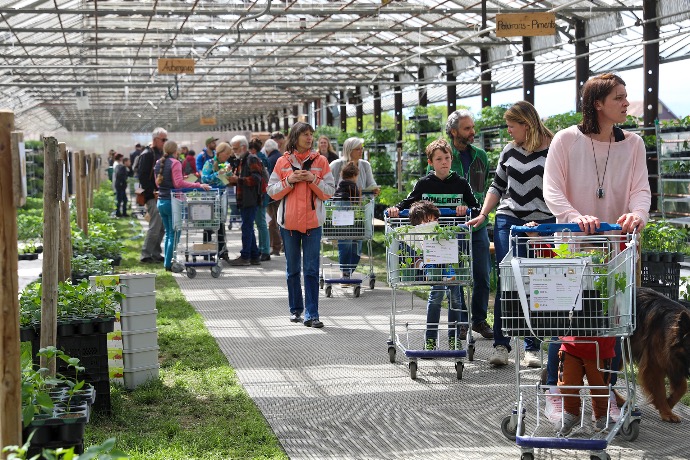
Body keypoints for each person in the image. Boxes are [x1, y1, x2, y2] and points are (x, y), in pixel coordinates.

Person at [542, 73, 651, 424]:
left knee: (612, 327)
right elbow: (552, 190)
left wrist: (637, 214)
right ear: (598, 104)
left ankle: (607, 397)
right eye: (618, 97)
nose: (625, 102)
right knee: (570, 325)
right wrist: (574, 217)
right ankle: (557, 393)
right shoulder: (566, 140)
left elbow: (640, 190)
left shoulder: (633, 144)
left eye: (625, 95)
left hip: (615, 251)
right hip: (573, 249)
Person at [466, 101, 556, 367]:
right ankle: (501, 345)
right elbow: (497, 185)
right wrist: (483, 214)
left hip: (543, 223)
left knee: (536, 281)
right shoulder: (509, 150)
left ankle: (532, 348)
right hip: (509, 218)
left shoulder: (554, 149)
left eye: (511, 126)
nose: (508, 132)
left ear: (525, 125)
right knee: (508, 278)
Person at [386, 139, 479, 349]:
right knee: (437, 292)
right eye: (439, 159)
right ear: (431, 162)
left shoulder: (461, 184)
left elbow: (475, 206)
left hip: (455, 246)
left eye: (447, 158)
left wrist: (465, 208)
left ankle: (454, 338)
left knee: (456, 293)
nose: (444, 162)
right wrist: (394, 209)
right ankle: (430, 339)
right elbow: (407, 203)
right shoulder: (424, 184)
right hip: (431, 249)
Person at [267, 121, 335, 327]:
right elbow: (272, 191)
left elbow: (329, 192)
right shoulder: (282, 163)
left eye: (311, 134)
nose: (309, 138)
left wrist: (313, 179)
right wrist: (290, 181)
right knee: (293, 269)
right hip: (288, 225)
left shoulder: (321, 161)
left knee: (312, 269)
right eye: (305, 134)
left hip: (313, 224)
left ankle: (312, 314)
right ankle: (296, 310)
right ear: (295, 137)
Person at [442, 110, 493, 340]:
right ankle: (461, 320)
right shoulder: (442, 156)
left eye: (472, 127)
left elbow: (487, 186)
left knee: (482, 275)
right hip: (452, 227)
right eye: (467, 128)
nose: (473, 132)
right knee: (456, 276)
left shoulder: (480, 156)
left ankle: (479, 320)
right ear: (454, 132)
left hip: (478, 226)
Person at [155, 141, 211, 271]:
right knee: (175, 233)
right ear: (176, 151)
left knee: (169, 233)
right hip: (173, 202)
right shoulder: (175, 163)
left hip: (161, 201)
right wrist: (198, 185)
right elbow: (178, 184)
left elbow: (158, 183)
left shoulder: (158, 163)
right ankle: (169, 263)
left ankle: (167, 262)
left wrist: (181, 178)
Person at [329, 137, 380, 278]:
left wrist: (373, 190)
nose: (361, 151)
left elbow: (372, 183)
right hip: (342, 208)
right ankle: (346, 272)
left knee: (357, 240)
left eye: (361, 148)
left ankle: (349, 271)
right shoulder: (336, 165)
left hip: (360, 208)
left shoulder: (365, 165)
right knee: (345, 240)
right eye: (357, 148)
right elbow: (327, 184)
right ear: (349, 150)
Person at [226, 135, 264, 266]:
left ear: (243, 147)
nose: (234, 151)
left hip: (250, 199)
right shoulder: (243, 160)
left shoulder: (251, 159)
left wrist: (238, 180)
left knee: (247, 227)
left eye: (235, 148)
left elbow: (256, 178)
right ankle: (254, 256)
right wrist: (234, 180)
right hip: (245, 199)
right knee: (248, 227)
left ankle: (245, 256)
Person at [201, 142, 235, 262]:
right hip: (210, 198)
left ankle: (222, 251)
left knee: (221, 224)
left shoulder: (225, 164)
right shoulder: (209, 163)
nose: (227, 157)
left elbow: (227, 181)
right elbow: (204, 178)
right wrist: (218, 173)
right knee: (207, 225)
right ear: (220, 153)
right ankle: (206, 251)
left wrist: (229, 173)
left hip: (221, 198)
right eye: (226, 154)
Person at [138, 127, 168, 264]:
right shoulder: (147, 154)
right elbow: (143, 177)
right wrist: (152, 192)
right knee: (155, 225)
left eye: (166, 139)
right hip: (152, 196)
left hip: (160, 194)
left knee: (161, 226)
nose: (165, 142)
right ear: (155, 139)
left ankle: (156, 253)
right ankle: (146, 254)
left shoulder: (160, 153)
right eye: (163, 139)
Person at [333, 161, 361, 278]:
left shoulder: (339, 187)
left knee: (343, 243)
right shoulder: (353, 187)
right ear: (354, 175)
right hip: (349, 219)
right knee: (356, 243)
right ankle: (348, 271)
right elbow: (357, 205)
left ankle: (345, 270)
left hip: (339, 220)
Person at [249, 137, 271, 261]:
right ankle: (264, 249)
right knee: (261, 222)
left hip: (260, 194)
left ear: (252, 149)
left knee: (261, 223)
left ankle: (265, 250)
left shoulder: (255, 159)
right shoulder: (263, 157)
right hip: (264, 192)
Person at [264, 138, 283, 256]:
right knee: (284, 221)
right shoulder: (282, 158)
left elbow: (269, 179)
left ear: (267, 150)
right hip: (284, 193)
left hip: (273, 196)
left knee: (272, 222)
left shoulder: (269, 160)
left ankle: (276, 247)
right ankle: (285, 246)